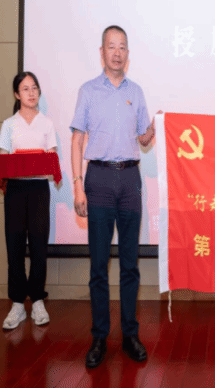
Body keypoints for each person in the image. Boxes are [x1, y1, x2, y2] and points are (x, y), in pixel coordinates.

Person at [70, 25, 157, 369]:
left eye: (122, 47)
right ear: (102, 52)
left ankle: (131, 335)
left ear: (128, 54)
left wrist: (152, 131)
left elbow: (144, 139)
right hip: (100, 179)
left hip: (130, 178)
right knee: (98, 265)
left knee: (130, 264)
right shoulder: (88, 91)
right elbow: (77, 140)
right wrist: (78, 185)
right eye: (111, 46)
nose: (117, 53)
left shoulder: (136, 91)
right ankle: (99, 338)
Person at [0, 71, 57, 329]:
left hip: (39, 189)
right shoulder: (8, 124)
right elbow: (2, 156)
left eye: (34, 88)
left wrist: (38, 162)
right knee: (14, 246)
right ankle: (18, 304)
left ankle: (38, 300)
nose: (31, 93)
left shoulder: (47, 123)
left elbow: (51, 156)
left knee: (39, 245)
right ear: (16, 94)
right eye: (25, 89)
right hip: (15, 190)